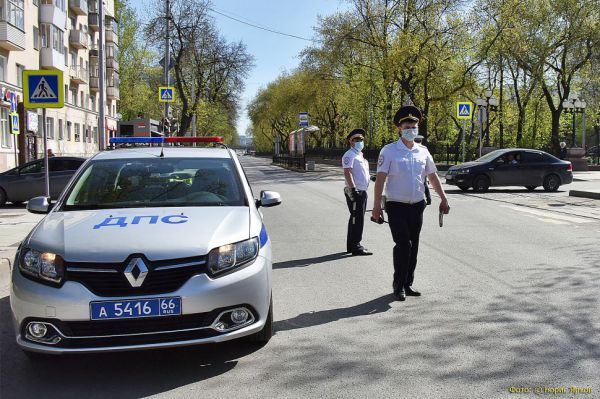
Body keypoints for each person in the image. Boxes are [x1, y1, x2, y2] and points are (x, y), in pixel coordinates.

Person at [372, 106, 450, 301]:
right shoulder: (389, 151)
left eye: (414, 125)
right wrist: (376, 206)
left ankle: (408, 283)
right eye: (407, 125)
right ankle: (398, 285)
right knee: (403, 245)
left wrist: (443, 197)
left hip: (417, 205)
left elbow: (432, 176)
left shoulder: (422, 151)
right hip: (396, 205)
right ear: (399, 128)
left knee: (413, 246)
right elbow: (380, 179)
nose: (411, 128)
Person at [343, 128, 372, 256]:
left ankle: (351, 244)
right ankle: (356, 246)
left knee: (356, 218)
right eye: (356, 139)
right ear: (350, 141)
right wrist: (353, 189)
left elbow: (361, 173)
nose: (359, 141)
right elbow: (347, 172)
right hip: (356, 191)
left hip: (362, 190)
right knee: (357, 219)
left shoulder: (360, 155)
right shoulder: (349, 155)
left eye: (361, 139)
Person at [413, 135, 431, 205]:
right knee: (424, 184)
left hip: (420, 170)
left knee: (423, 184)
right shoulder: (423, 149)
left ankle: (428, 199)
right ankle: (428, 199)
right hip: (421, 170)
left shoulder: (422, 149)